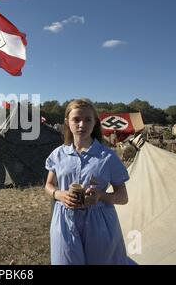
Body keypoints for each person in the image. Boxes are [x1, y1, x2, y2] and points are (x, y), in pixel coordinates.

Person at [44, 98, 130, 265]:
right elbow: (48, 185)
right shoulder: (58, 155)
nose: (82, 124)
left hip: (100, 224)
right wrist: (59, 195)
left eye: (87, 120)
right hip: (64, 221)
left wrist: (100, 196)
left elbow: (123, 196)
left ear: (95, 123)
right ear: (67, 122)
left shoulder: (107, 157)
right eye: (76, 119)